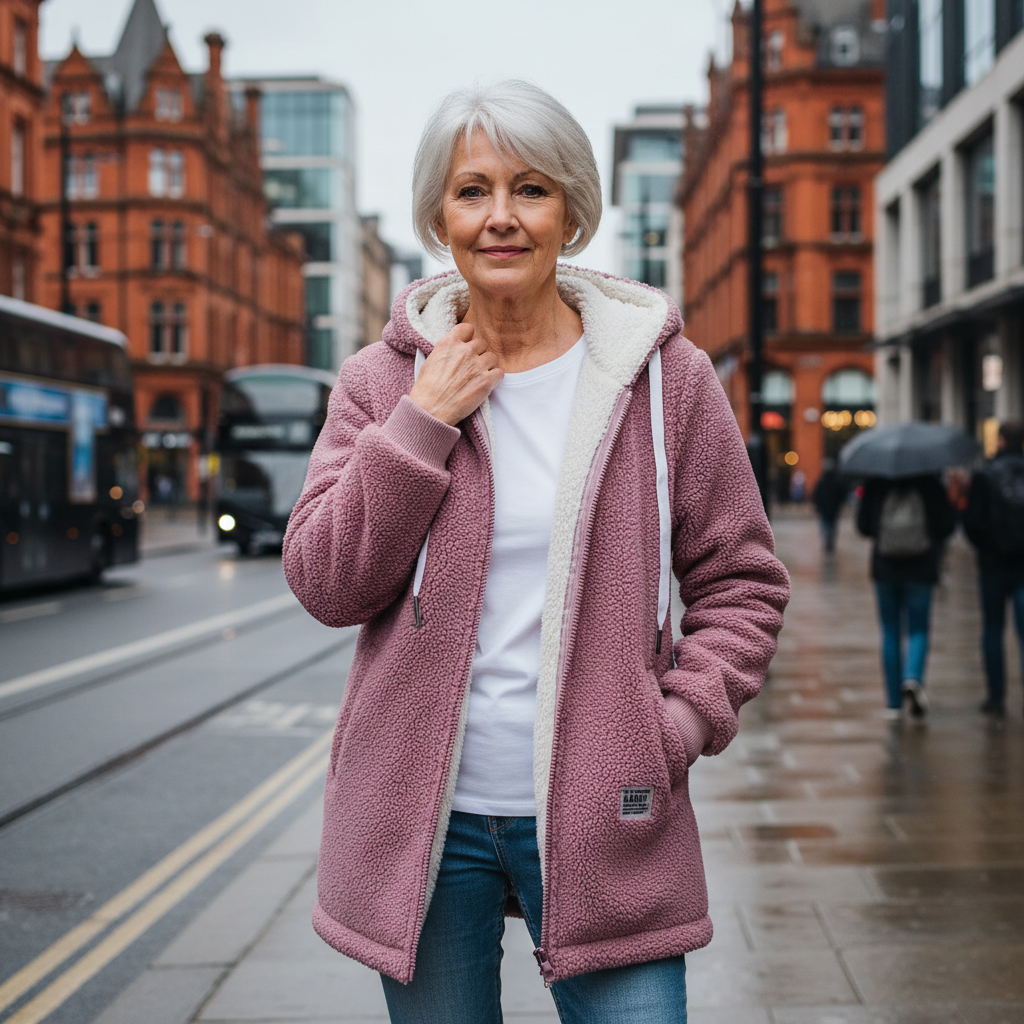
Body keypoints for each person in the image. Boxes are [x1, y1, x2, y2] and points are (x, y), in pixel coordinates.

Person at [282, 81, 790, 1024]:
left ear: (572, 211)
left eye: (532, 189)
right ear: (441, 215)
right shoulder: (380, 381)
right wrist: (419, 425)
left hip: (611, 814)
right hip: (426, 832)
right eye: (473, 191)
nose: (501, 218)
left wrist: (674, 725)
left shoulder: (661, 379)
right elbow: (325, 581)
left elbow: (742, 578)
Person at [856, 474, 956, 718]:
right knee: (918, 629)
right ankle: (912, 676)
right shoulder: (930, 482)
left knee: (890, 632)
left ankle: (893, 703)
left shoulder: (876, 482)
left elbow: (863, 526)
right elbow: (947, 525)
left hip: (885, 568)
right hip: (921, 568)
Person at [963, 421, 1024, 717]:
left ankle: (996, 696)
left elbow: (971, 523)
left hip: (993, 566)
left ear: (1000, 440)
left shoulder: (985, 475)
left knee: (993, 629)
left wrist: (987, 546)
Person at [812, 458, 847, 553]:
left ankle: (827, 542)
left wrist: (817, 506)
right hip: (834, 509)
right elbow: (842, 494)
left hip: (824, 509)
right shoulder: (837, 481)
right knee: (832, 526)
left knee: (825, 526)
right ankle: (830, 543)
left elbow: (816, 495)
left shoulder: (821, 481)